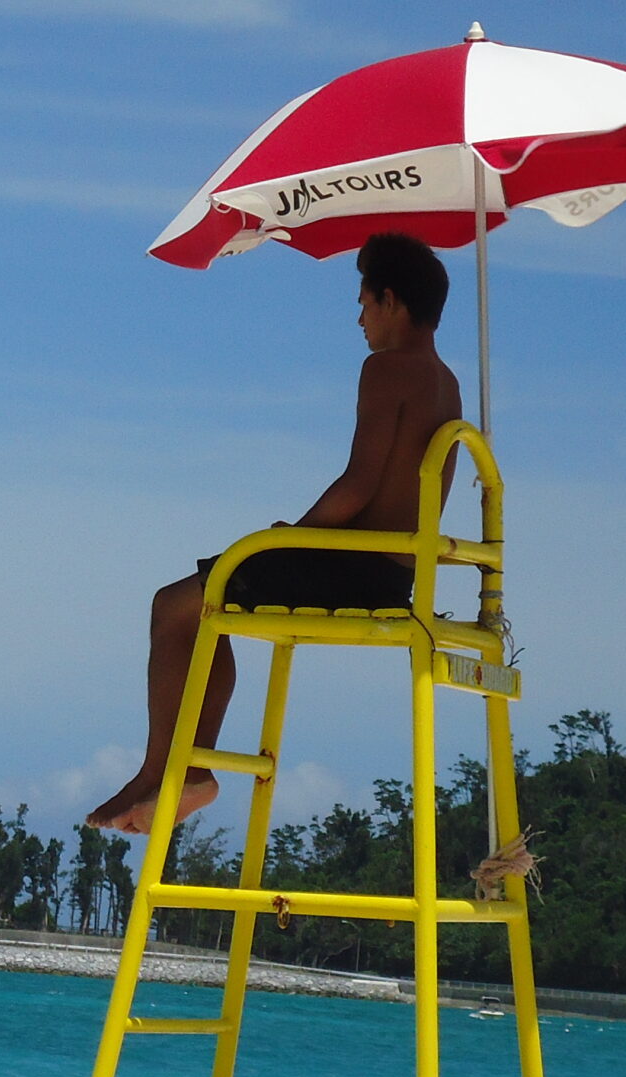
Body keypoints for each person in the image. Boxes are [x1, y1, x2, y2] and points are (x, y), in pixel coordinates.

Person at [83, 233, 463, 836]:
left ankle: (163, 770)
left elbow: (359, 483)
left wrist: (296, 534)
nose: (358, 316)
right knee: (211, 597)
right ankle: (185, 769)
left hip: (351, 567)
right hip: (394, 576)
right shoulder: (447, 381)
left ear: (391, 301)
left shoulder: (386, 368)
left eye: (363, 300)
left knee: (173, 605)